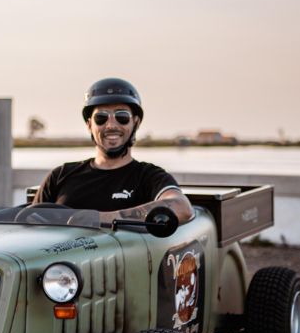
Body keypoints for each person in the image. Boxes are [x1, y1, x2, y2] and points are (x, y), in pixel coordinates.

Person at [33, 77, 194, 224]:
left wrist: (100, 219)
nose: (111, 125)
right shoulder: (60, 176)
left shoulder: (148, 177)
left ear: (135, 123)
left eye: (121, 117)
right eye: (101, 118)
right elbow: (29, 222)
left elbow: (182, 208)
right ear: (90, 124)